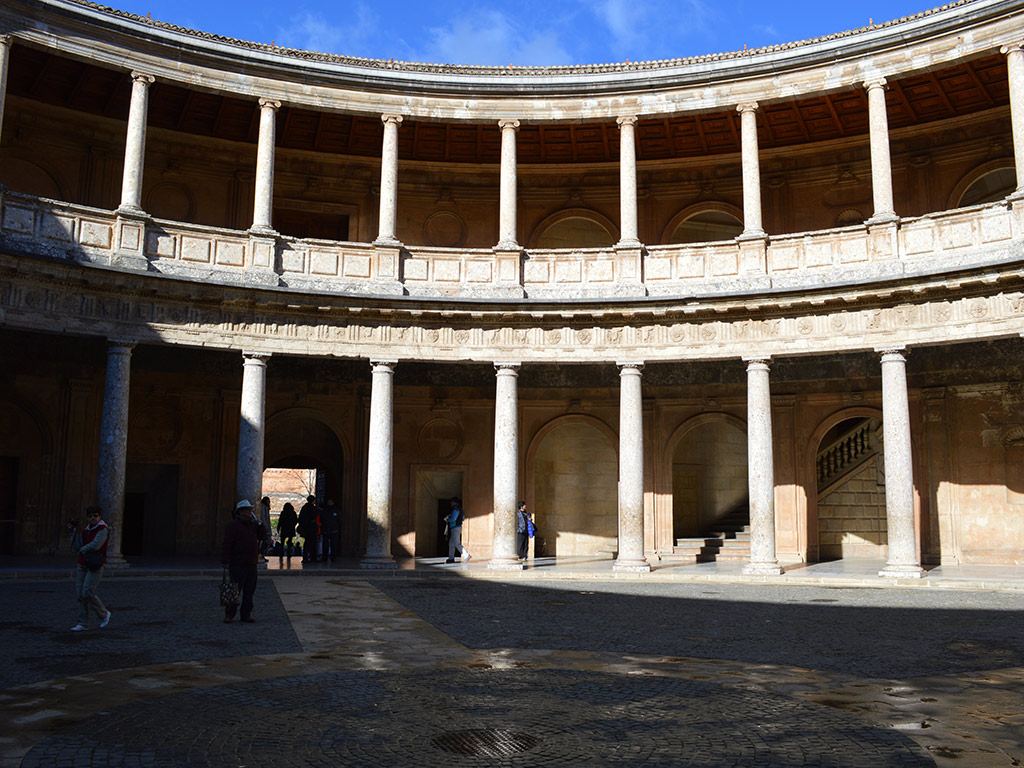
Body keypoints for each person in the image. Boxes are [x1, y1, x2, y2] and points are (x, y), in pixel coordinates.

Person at [69, 505, 111, 632]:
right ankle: (83, 623)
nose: (93, 518)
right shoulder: (85, 531)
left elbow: (96, 545)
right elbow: (77, 547)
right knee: (80, 594)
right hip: (82, 563)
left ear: (100, 516)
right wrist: (73, 533)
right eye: (90, 516)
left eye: (95, 516)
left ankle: (104, 614)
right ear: (87, 518)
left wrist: (83, 549)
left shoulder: (103, 529)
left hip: (95, 564)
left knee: (87, 592)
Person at [221, 499, 261, 623]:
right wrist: (225, 560)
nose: (250, 512)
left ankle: (246, 614)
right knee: (234, 590)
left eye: (250, 510)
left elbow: (262, 536)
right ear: (241, 512)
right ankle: (230, 614)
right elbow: (227, 543)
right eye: (247, 510)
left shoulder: (253, 525)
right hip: (238, 562)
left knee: (249, 591)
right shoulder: (233, 526)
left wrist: (259, 524)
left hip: (251, 562)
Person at [444, 497, 471, 564]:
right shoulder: (460, 509)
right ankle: (451, 558)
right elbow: (463, 518)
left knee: (456, 543)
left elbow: (453, 518)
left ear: (454, 502)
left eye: (452, 502)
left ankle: (466, 555)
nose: (451, 503)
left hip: (455, 528)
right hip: (457, 527)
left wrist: (448, 519)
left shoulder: (456, 509)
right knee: (451, 544)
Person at [298, 495, 319, 563]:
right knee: (313, 543)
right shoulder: (313, 508)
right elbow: (314, 515)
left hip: (306, 528)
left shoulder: (304, 507)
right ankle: (313, 557)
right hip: (311, 528)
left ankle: (305, 557)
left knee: (307, 543)